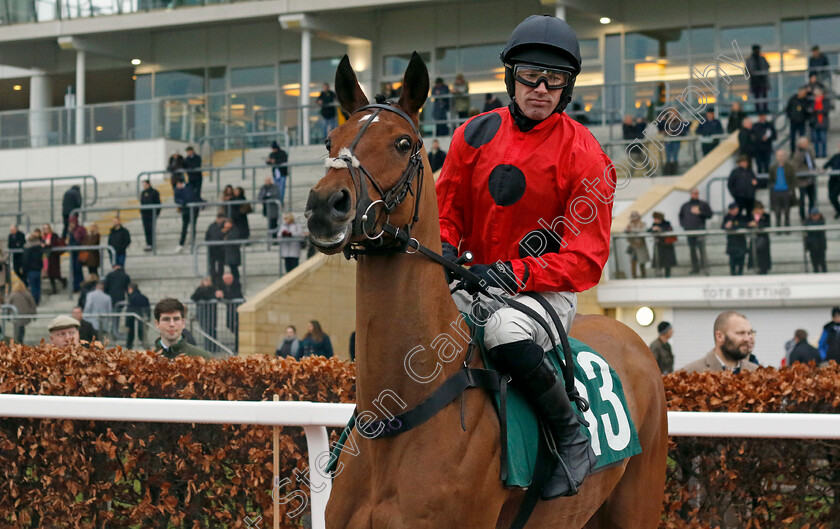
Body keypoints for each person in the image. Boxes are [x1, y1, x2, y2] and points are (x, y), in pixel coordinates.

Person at [436, 15, 614, 498]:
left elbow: (585, 261)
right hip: (471, 279)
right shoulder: (472, 134)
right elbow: (445, 212)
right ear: (510, 77)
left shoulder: (585, 153)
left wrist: (513, 272)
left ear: (567, 87)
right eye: (531, 75)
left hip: (543, 291)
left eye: (554, 79)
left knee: (501, 330)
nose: (541, 87)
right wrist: (448, 249)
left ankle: (571, 433)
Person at [681, 311, 759, 373]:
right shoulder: (691, 372)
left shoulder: (756, 372)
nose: (747, 339)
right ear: (720, 336)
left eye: (749, 333)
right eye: (741, 333)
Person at [678, 188, 712, 275]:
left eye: (697, 193)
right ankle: (695, 268)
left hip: (700, 230)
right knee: (692, 250)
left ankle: (705, 268)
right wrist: (684, 225)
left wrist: (700, 212)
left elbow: (710, 214)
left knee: (702, 250)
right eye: (694, 193)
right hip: (689, 231)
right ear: (691, 194)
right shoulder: (685, 205)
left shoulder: (703, 204)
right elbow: (681, 216)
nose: (695, 195)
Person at [792, 136, 818, 221]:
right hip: (802, 182)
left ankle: (811, 215)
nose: (808, 145)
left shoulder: (809, 152)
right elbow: (796, 168)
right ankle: (803, 217)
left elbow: (813, 159)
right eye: (807, 143)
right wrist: (807, 171)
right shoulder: (797, 155)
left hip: (811, 180)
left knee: (812, 200)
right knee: (802, 200)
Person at [768, 150, 796, 227]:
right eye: (779, 156)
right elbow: (770, 180)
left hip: (786, 191)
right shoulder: (772, 168)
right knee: (777, 211)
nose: (781, 157)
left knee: (787, 211)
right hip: (776, 192)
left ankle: (787, 227)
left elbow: (793, 180)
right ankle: (778, 227)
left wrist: (791, 189)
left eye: (782, 155)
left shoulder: (789, 167)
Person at [216, 271, 244, 351]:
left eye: (228, 278)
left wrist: (224, 295)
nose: (227, 280)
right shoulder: (221, 285)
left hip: (238, 308)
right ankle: (239, 337)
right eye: (225, 279)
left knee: (238, 326)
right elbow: (218, 296)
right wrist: (218, 295)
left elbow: (235, 295)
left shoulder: (237, 284)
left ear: (232, 278)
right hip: (230, 308)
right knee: (229, 324)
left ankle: (238, 345)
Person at [174, 181, 203, 253]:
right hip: (185, 211)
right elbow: (176, 199)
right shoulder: (177, 190)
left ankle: (192, 241)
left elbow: (193, 197)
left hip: (194, 210)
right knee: (184, 227)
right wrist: (183, 202)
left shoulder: (189, 187)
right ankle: (181, 243)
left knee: (193, 226)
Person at [659, 107, 689, 175]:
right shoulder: (666, 122)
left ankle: (675, 171)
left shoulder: (680, 122)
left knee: (675, 156)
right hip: (668, 142)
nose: (672, 115)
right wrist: (665, 132)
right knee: (668, 157)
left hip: (675, 141)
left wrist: (672, 131)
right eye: (670, 114)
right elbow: (661, 130)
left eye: (673, 113)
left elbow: (682, 131)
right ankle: (668, 172)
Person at [191, 277, 218, 351]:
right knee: (205, 329)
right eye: (206, 281)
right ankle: (207, 347)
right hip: (202, 313)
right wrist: (203, 289)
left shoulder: (213, 289)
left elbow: (210, 297)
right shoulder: (200, 289)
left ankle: (213, 347)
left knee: (211, 329)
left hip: (211, 313)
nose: (207, 282)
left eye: (209, 280)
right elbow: (194, 297)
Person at [722, 202, 748, 276]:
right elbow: (722, 226)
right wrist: (726, 226)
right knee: (732, 261)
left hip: (741, 243)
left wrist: (732, 226)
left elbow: (743, 225)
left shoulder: (741, 217)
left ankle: (740, 273)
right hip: (732, 243)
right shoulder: (727, 217)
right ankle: (733, 273)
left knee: (741, 261)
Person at [746, 201, 771, 275]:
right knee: (754, 253)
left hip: (763, 240)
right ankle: (754, 267)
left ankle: (763, 269)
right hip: (754, 239)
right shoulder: (750, 217)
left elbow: (766, 225)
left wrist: (757, 224)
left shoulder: (766, 216)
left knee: (763, 255)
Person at [649, 211, 676, 278]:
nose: (655, 220)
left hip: (667, 246)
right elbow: (649, 230)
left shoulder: (666, 223)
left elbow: (669, 230)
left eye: (656, 218)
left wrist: (660, 229)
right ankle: (659, 274)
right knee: (658, 261)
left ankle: (667, 275)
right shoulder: (654, 224)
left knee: (667, 262)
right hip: (659, 245)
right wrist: (653, 229)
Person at [42, 223, 66, 294]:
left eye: (47, 228)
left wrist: (47, 244)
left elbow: (53, 244)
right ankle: (54, 289)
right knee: (50, 275)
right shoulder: (43, 237)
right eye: (44, 228)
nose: (45, 230)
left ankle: (63, 280)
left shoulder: (53, 235)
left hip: (53, 257)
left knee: (55, 274)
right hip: (46, 257)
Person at [624, 211, 650, 279]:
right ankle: (634, 277)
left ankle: (644, 276)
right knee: (633, 263)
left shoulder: (642, 224)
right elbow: (625, 231)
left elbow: (644, 230)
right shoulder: (629, 225)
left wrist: (632, 230)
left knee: (642, 263)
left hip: (641, 245)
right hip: (633, 246)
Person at [124, 283, 150, 350]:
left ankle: (127, 354)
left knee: (130, 340)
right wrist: (148, 320)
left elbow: (129, 312)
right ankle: (150, 352)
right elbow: (148, 311)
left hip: (132, 322)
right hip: (142, 321)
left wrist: (127, 324)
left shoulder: (131, 298)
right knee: (143, 339)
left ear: (130, 289)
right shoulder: (144, 298)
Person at [746, 45, 770, 113]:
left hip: (762, 81)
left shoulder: (762, 58)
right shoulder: (749, 60)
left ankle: (765, 109)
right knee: (757, 96)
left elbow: (767, 66)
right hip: (755, 81)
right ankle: (758, 110)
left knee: (764, 96)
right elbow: (747, 70)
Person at [21, 232, 44, 305]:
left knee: (33, 287)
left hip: (31, 270)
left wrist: (24, 270)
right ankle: (37, 301)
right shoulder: (39, 248)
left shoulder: (28, 249)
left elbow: (25, 260)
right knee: (38, 286)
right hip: (38, 269)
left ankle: (33, 302)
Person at [786, 87, 810, 153]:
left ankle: (802, 152)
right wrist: (790, 117)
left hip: (802, 122)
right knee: (792, 138)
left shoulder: (805, 101)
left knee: (802, 138)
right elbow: (788, 109)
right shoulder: (793, 99)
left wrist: (804, 118)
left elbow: (807, 111)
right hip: (793, 122)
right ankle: (793, 152)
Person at [205, 213, 227, 288]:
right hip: (212, 249)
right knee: (212, 266)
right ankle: (214, 281)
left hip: (221, 249)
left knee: (221, 266)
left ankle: (220, 280)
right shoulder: (212, 226)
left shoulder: (225, 226)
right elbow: (207, 236)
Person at [139, 180, 161, 251]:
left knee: (151, 229)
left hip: (152, 214)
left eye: (145, 185)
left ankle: (152, 243)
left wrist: (156, 213)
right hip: (145, 215)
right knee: (146, 229)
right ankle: (148, 243)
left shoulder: (154, 192)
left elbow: (158, 204)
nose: (144, 186)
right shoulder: (143, 193)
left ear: (149, 184)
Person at [804, 207, 827, 273]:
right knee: (814, 261)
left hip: (820, 245)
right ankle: (816, 271)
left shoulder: (821, 221)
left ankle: (824, 272)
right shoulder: (808, 222)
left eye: (816, 215)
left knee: (822, 261)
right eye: (813, 215)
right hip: (812, 246)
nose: (815, 217)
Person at [67, 216, 86, 292]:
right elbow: (68, 240)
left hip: (79, 250)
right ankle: (76, 286)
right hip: (73, 252)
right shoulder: (70, 230)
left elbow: (82, 239)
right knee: (74, 269)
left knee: (78, 269)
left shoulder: (80, 229)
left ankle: (81, 285)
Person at [809, 88, 830, 159]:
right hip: (814, 124)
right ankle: (817, 154)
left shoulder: (825, 101)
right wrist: (817, 111)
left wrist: (817, 111)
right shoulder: (812, 102)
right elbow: (811, 110)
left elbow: (825, 110)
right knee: (815, 141)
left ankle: (824, 154)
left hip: (823, 124)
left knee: (823, 140)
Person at [267, 141, 289, 207]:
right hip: (275, 174)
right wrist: (269, 161)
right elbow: (269, 162)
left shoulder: (282, 153)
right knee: (277, 188)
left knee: (281, 188)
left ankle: (280, 201)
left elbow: (283, 160)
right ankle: (279, 201)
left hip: (282, 173)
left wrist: (275, 161)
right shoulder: (272, 154)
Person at [826, 144, 840, 219]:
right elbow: (827, 165)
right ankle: (838, 210)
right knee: (832, 196)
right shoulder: (836, 156)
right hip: (834, 180)